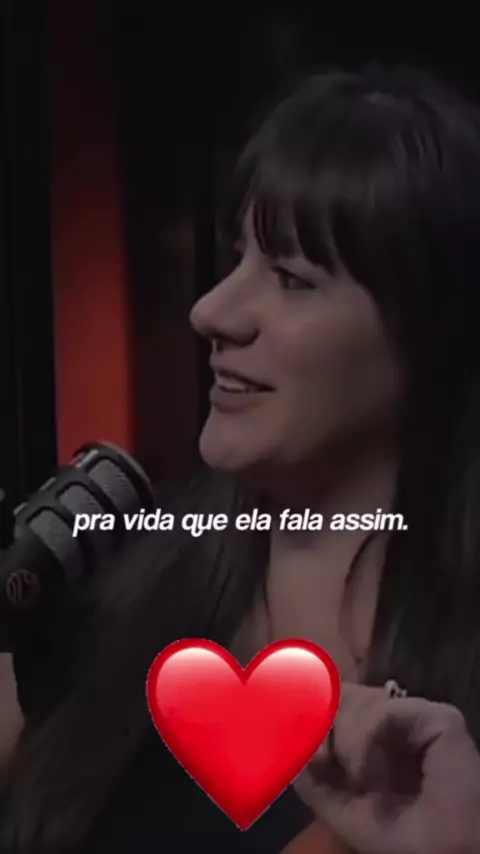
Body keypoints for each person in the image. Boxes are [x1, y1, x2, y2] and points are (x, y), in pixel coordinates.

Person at [1, 64, 480, 853]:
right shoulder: (109, 576)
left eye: (292, 279)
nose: (210, 310)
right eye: (238, 257)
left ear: (431, 336)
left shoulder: (451, 743)